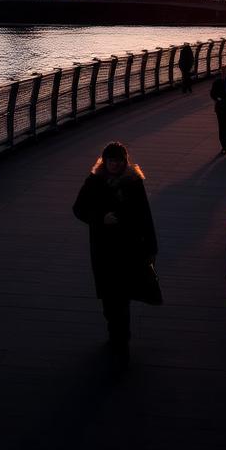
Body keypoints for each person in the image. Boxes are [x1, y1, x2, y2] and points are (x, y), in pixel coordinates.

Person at [72, 141, 159, 349]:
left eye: (119, 162)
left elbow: (145, 216)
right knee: (109, 298)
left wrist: (151, 248)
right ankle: (116, 331)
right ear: (105, 161)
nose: (115, 165)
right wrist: (101, 218)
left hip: (128, 248)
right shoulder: (93, 182)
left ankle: (121, 337)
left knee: (121, 295)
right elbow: (78, 209)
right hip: (103, 249)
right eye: (111, 161)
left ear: (124, 161)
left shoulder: (134, 183)